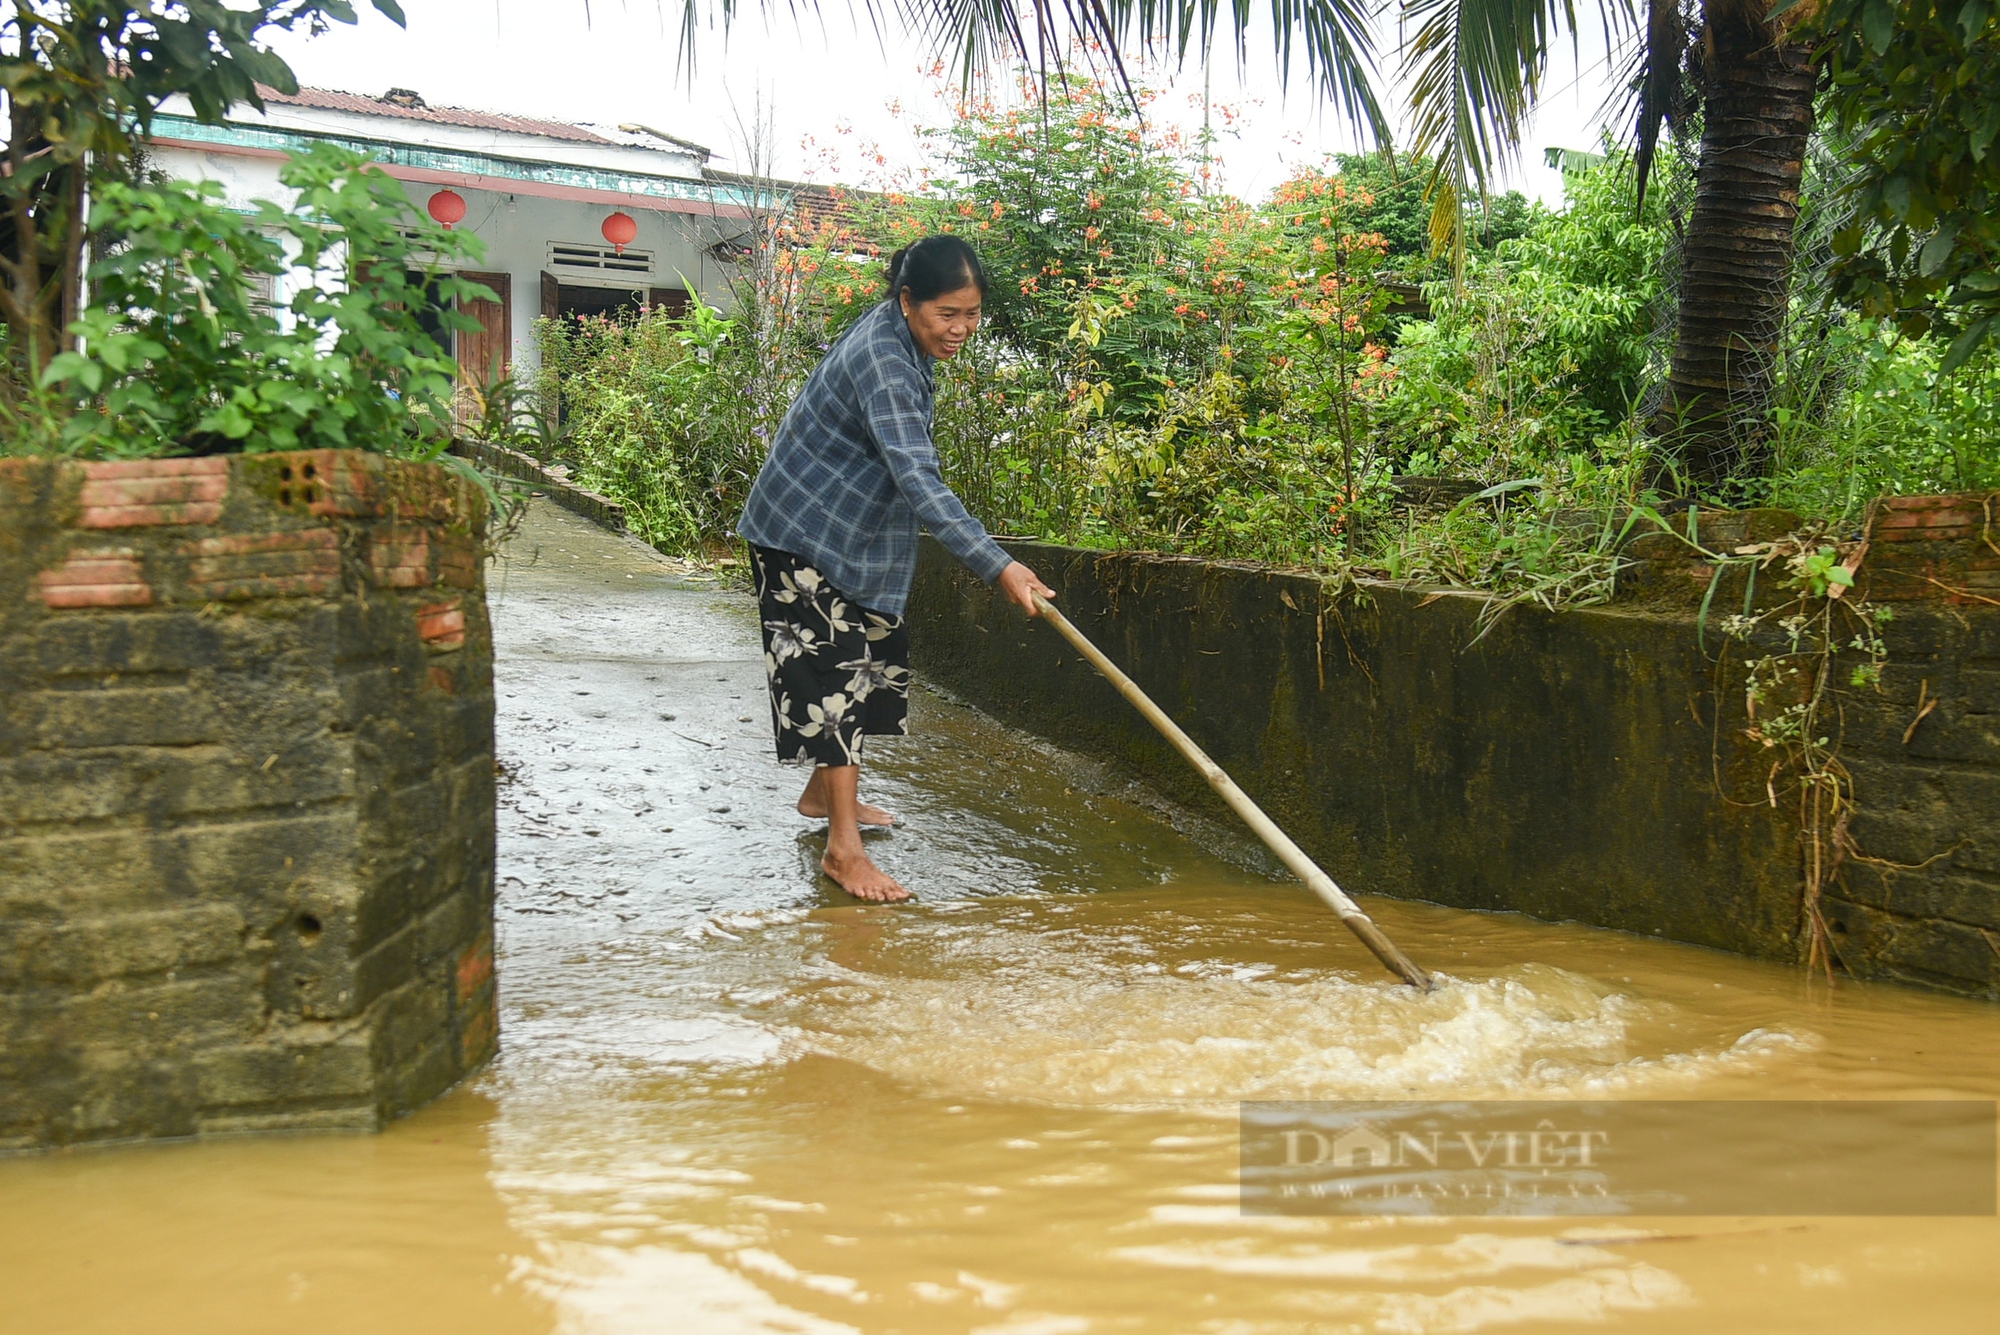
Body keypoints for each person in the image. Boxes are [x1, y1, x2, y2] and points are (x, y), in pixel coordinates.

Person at [736, 234, 1053, 903]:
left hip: (850, 532)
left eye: (971, 314)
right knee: (835, 678)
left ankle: (824, 795)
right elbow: (918, 477)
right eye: (948, 313)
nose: (961, 328)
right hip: (800, 531)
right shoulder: (884, 360)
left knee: (867, 663)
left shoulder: (902, 335)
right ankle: (842, 850)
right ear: (908, 301)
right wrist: (997, 565)